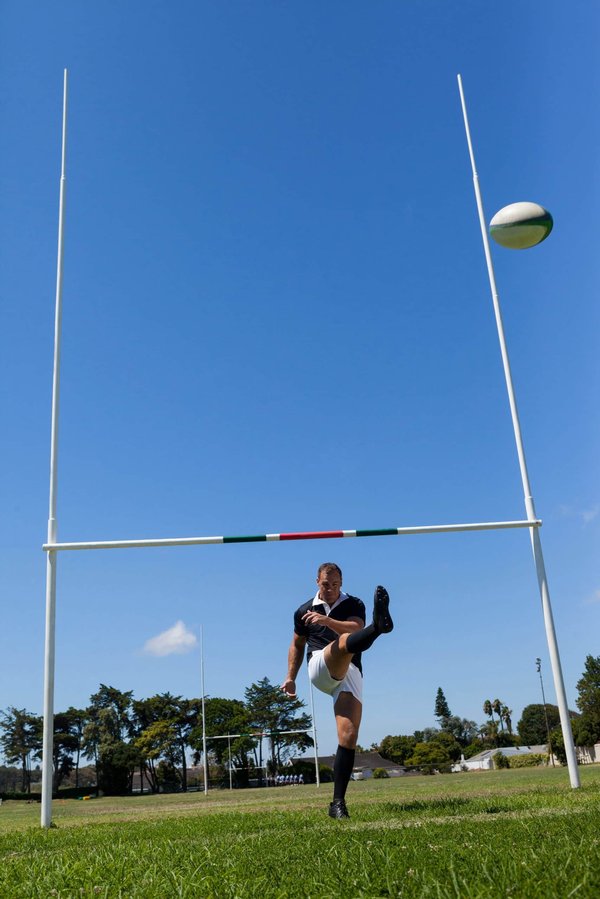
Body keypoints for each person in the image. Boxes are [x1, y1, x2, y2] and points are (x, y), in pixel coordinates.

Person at [281, 561, 393, 819]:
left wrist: (327, 620)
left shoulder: (354, 603)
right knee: (342, 643)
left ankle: (337, 804)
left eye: (335, 584)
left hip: (350, 673)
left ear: (341, 583)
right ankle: (378, 628)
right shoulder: (304, 610)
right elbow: (297, 645)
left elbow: (355, 628)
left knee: (349, 735)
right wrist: (290, 677)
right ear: (317, 582)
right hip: (320, 666)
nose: (330, 588)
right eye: (325, 584)